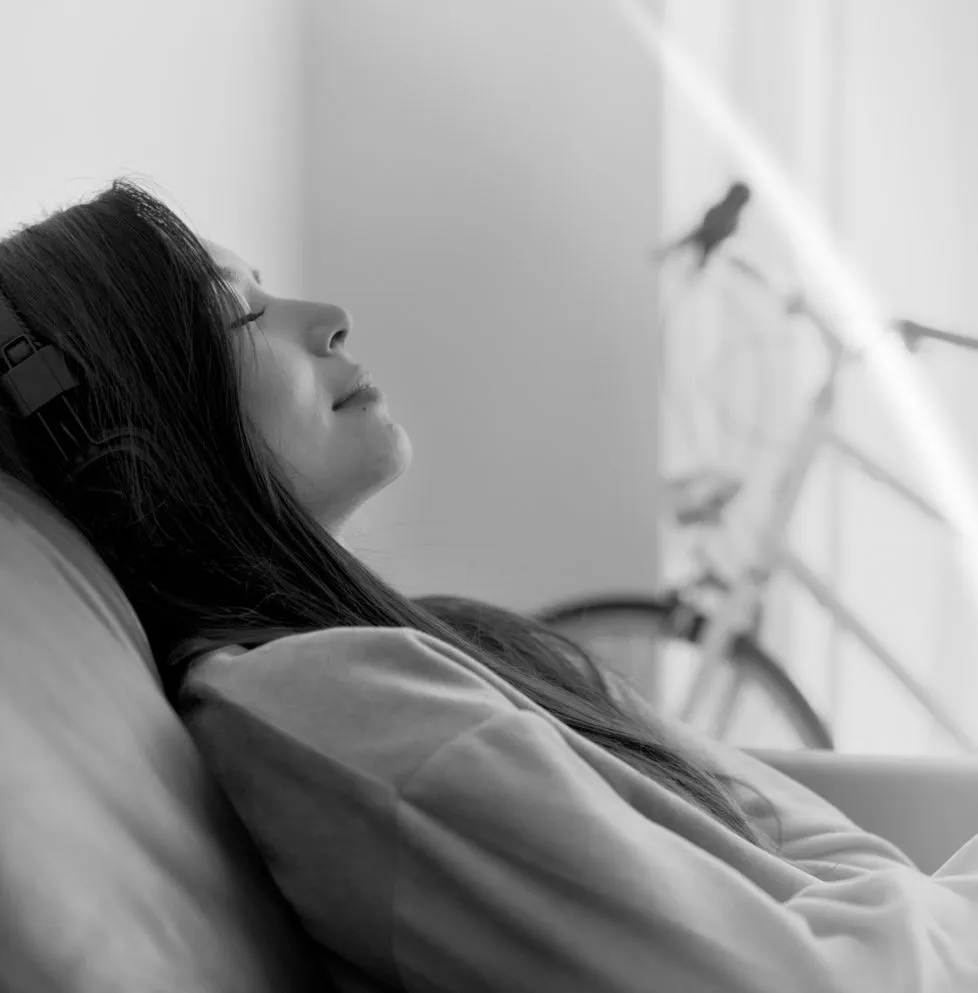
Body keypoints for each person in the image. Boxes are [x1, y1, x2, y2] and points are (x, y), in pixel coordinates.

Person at [1, 177, 976, 992]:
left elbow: (835, 867)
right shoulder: (332, 705)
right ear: (141, 454)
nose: (331, 320)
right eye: (240, 313)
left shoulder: (428, 649)